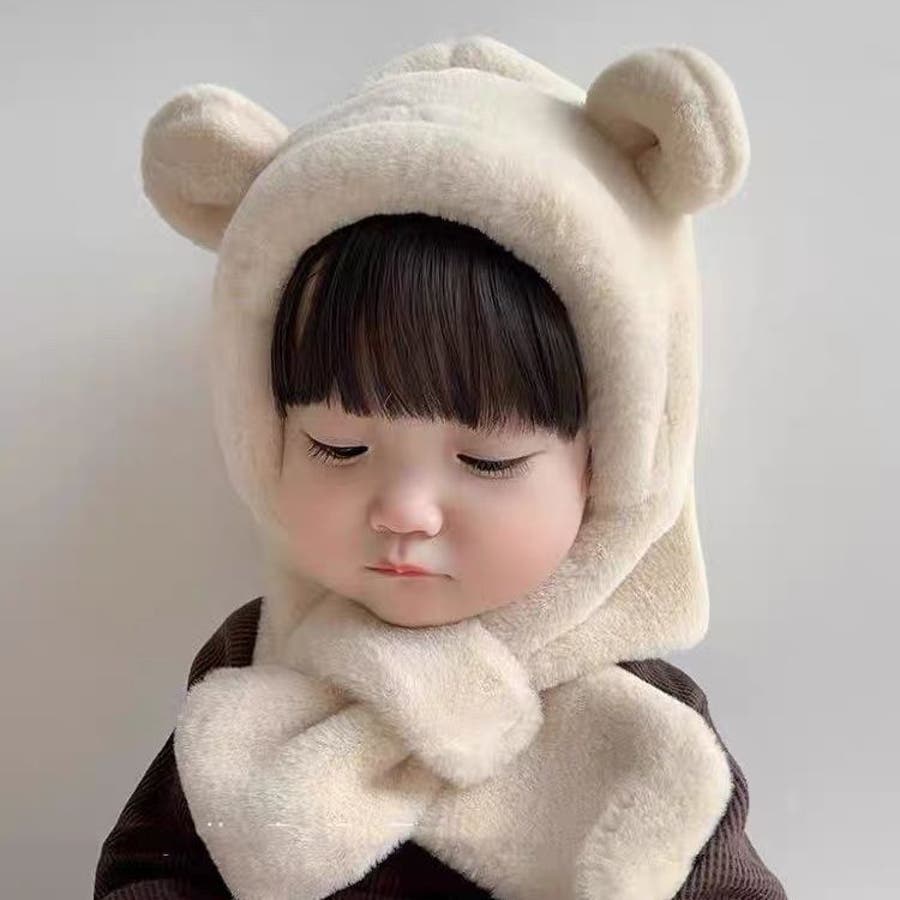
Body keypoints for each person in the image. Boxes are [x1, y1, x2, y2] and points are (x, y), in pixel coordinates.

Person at [94, 33, 789, 899]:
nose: (404, 510)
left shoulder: (643, 723)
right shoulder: (253, 658)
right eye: (339, 447)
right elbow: (147, 872)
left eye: (489, 460)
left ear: (614, 465)